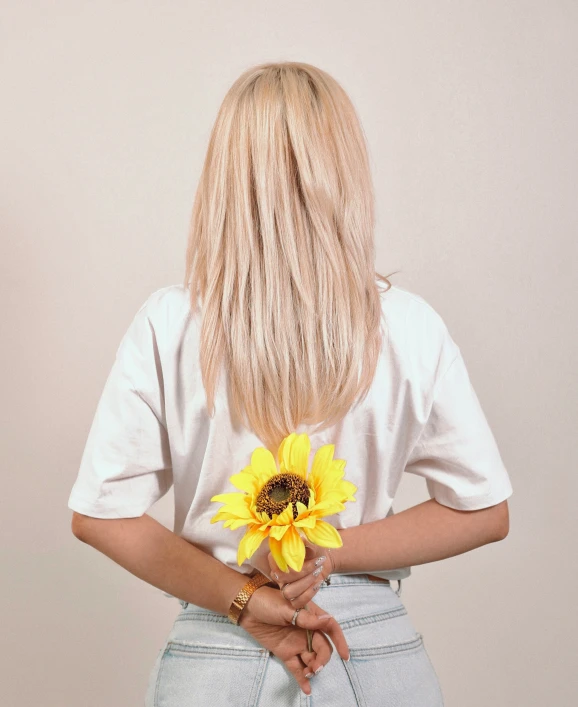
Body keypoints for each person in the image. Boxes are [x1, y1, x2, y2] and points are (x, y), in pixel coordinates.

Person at [67, 61, 513, 706]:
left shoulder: (169, 323)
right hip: (373, 653)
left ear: (223, 175)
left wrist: (245, 597)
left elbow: (100, 515)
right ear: (345, 170)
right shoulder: (409, 327)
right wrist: (324, 551)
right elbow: (484, 510)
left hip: (220, 646)